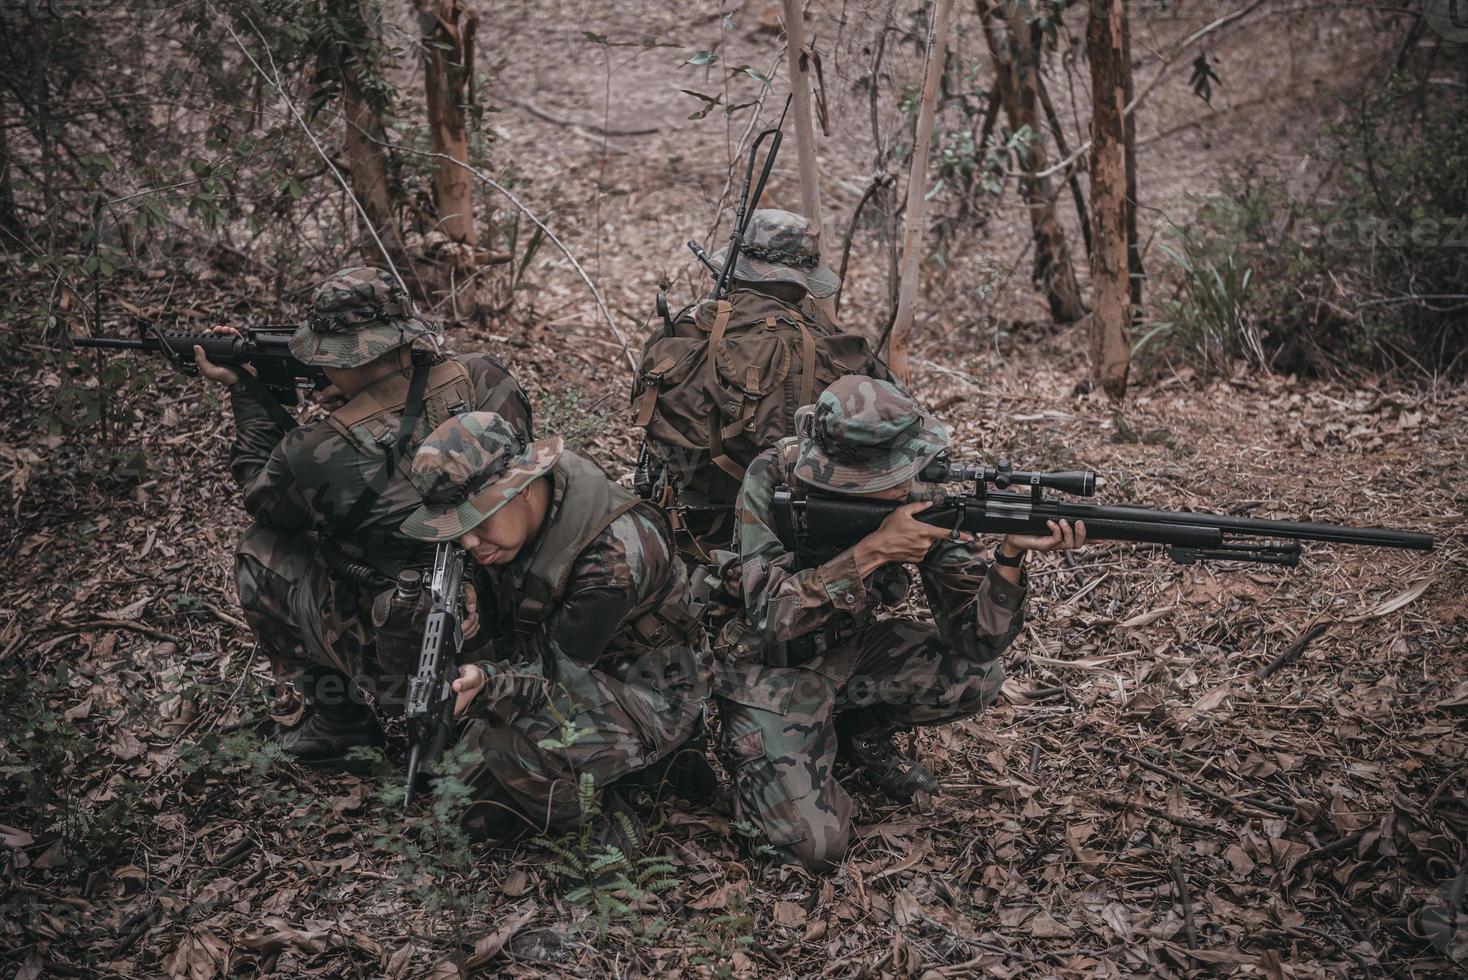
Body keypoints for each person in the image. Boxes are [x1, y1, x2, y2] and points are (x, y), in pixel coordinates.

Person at [715, 375, 1087, 872]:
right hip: (768, 673)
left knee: (974, 679)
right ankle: (750, 748)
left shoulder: (921, 489)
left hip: (848, 653)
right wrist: (871, 553)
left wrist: (1009, 557)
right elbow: (764, 615)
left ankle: (853, 735)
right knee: (813, 851)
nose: (899, 485)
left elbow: (978, 642)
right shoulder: (774, 476)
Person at [194, 266, 532, 766]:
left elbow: (261, 496)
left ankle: (339, 724)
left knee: (260, 549)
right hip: (519, 625)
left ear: (335, 356)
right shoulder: (485, 374)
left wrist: (249, 396)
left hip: (416, 654)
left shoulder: (315, 449)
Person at [399, 410, 712, 841]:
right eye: (457, 529)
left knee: (513, 747)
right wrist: (471, 598)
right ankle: (622, 771)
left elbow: (554, 673)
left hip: (651, 686)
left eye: (478, 520)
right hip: (568, 659)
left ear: (523, 488)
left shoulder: (611, 560)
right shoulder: (529, 509)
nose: (467, 543)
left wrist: (486, 684)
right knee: (464, 815)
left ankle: (611, 838)